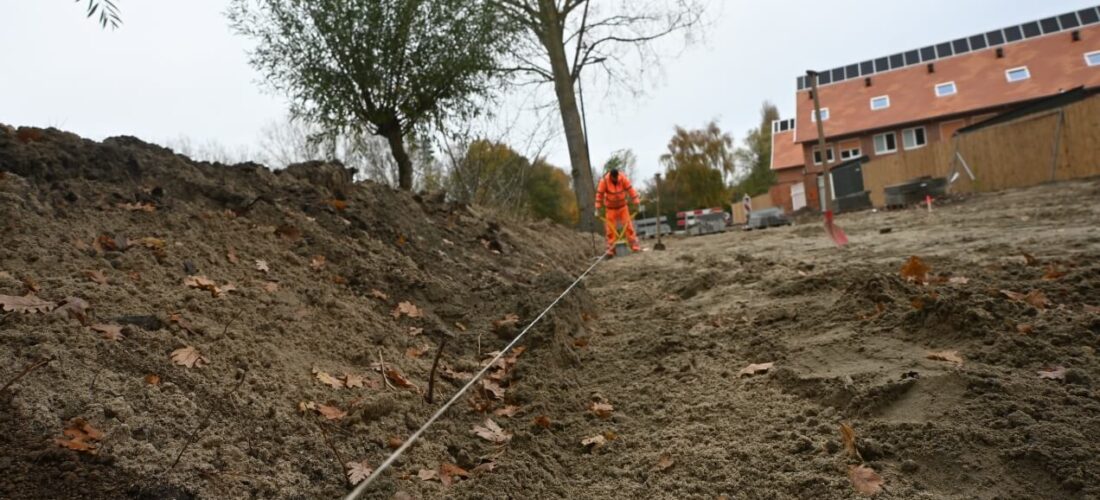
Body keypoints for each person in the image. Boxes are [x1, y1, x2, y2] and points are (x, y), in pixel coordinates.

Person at [594, 163, 641, 256]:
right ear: (611, 176)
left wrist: (636, 201)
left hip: (623, 207)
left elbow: (630, 189)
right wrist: (598, 208)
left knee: (628, 226)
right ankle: (611, 249)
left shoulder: (622, 178)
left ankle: (634, 246)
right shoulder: (604, 181)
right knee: (610, 229)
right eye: (614, 178)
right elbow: (599, 195)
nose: (615, 179)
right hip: (610, 208)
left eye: (616, 177)